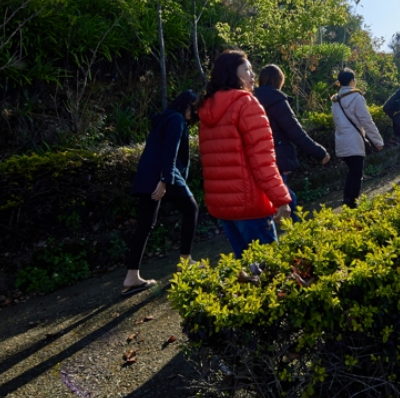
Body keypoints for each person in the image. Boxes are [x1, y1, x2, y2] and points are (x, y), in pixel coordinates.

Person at [196, 50, 294, 258]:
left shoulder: (207, 108)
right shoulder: (246, 104)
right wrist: (281, 199)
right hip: (251, 204)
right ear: (232, 74)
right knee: (269, 273)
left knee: (248, 273)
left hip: (224, 206)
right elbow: (262, 160)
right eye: (247, 70)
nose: (252, 75)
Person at [120, 89, 201, 296]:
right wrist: (165, 180)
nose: (196, 112)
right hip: (164, 175)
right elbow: (170, 150)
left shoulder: (164, 120)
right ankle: (185, 261)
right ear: (187, 105)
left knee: (145, 225)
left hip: (148, 177)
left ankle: (132, 276)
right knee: (191, 209)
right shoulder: (176, 120)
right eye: (194, 107)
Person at [253, 65, 330, 221]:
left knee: (269, 199)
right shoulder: (277, 101)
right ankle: (300, 237)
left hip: (256, 159)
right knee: (287, 199)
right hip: (277, 158)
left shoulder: (250, 99)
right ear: (279, 81)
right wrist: (320, 152)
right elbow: (296, 133)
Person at [331, 67, 385, 207]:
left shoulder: (335, 100)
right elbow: (366, 121)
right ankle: (351, 204)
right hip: (354, 141)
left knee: (353, 171)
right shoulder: (356, 97)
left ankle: (347, 199)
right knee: (356, 173)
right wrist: (378, 141)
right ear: (352, 81)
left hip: (341, 141)